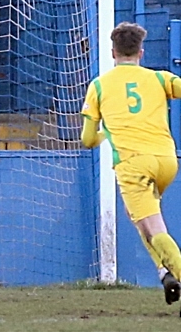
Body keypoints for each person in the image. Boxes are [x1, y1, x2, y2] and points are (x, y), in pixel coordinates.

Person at [81, 22, 181, 306]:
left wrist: (106, 132)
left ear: (113, 52)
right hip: (166, 161)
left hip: (134, 165)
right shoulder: (160, 79)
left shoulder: (99, 86)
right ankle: (165, 272)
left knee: (155, 227)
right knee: (138, 216)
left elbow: (88, 140)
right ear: (142, 52)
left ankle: (174, 272)